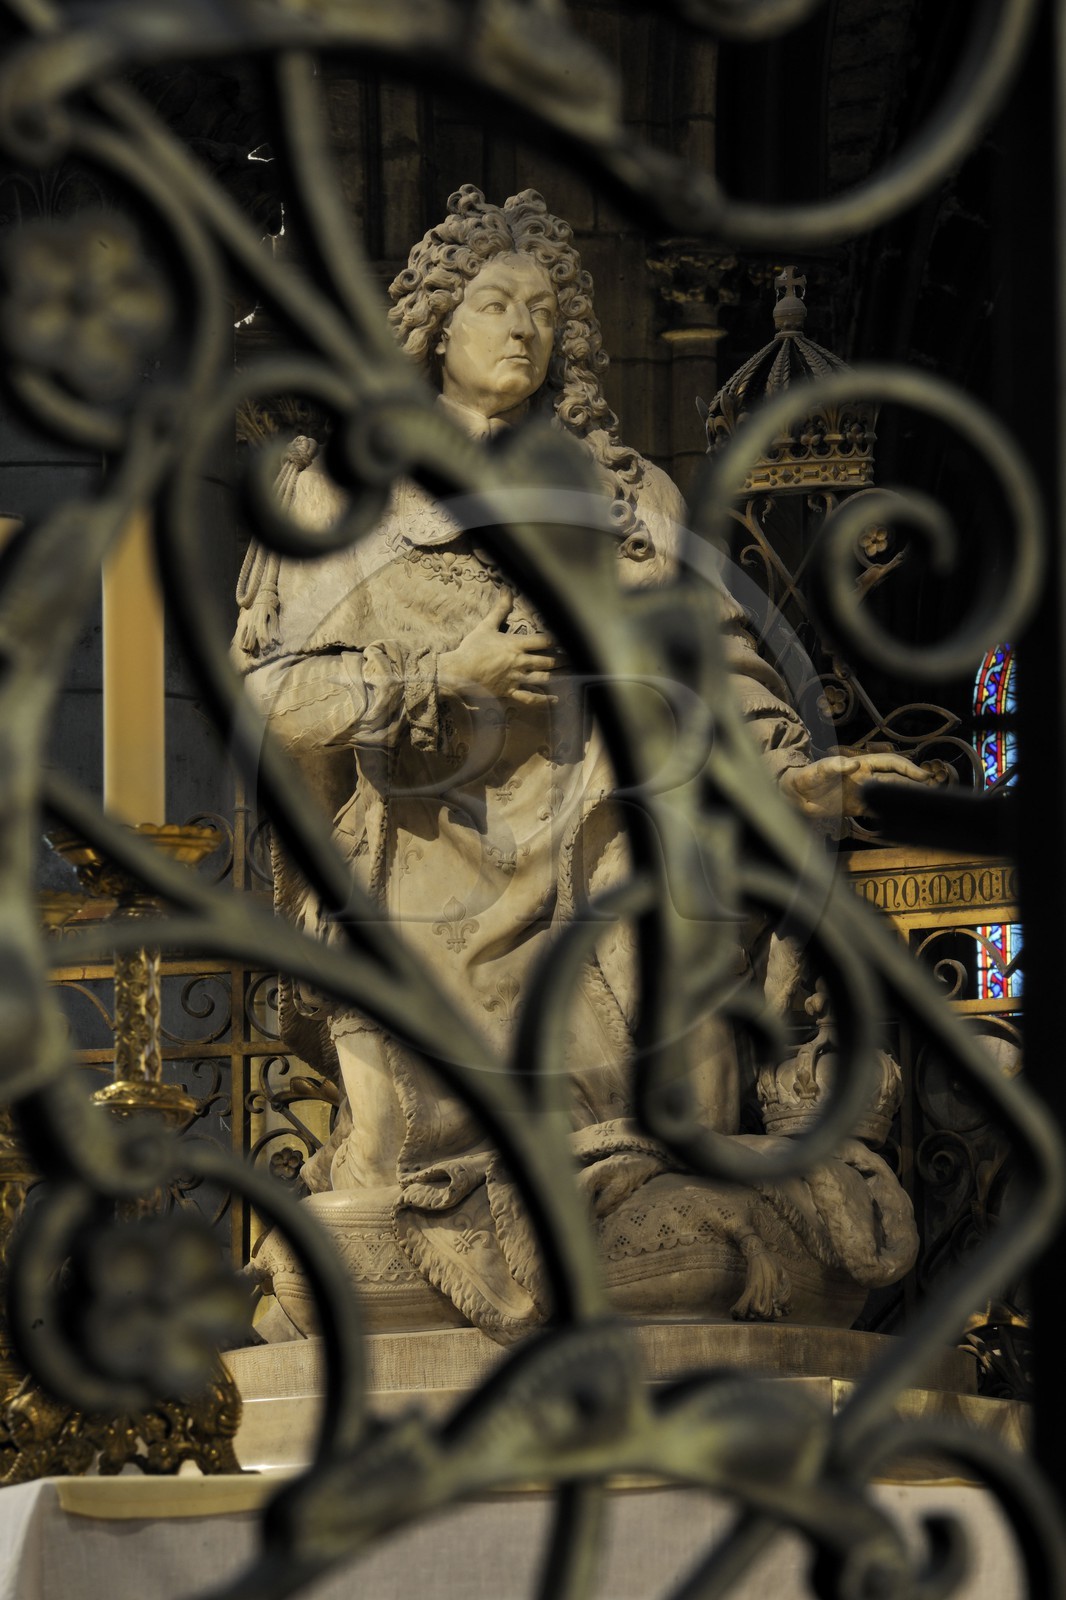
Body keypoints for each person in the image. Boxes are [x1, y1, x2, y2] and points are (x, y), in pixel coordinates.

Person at [235, 187, 923, 1341]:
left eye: (545, 312)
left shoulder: (630, 496)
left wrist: (790, 776)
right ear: (434, 327)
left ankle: (631, 1211)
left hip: (608, 840)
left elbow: (723, 666)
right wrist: (443, 679)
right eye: (495, 303)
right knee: (396, 1155)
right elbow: (276, 705)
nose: (524, 328)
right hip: (424, 854)